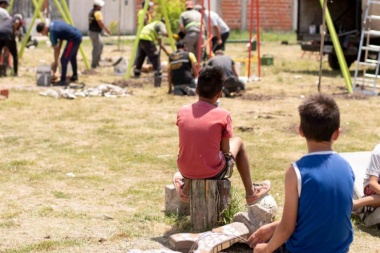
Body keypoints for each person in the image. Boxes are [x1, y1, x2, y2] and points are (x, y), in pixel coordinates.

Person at [248, 93, 354, 253]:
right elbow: (323, 214)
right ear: (337, 133)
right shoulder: (347, 167)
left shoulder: (296, 172)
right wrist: (273, 227)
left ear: (300, 131)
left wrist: (266, 249)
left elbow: (286, 228)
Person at [174, 65, 271, 205]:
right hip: (213, 172)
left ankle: (186, 189)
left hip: (185, 170)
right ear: (219, 94)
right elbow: (225, 151)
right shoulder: (223, 115)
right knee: (238, 142)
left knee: (195, 149)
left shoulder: (182, 111)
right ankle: (251, 192)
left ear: (196, 90)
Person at [36, 21, 82, 86]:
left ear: (45, 28)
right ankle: (75, 76)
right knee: (72, 58)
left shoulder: (52, 32)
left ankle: (63, 80)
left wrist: (56, 63)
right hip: (78, 35)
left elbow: (55, 49)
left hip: (73, 39)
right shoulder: (53, 25)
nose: (42, 34)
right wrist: (57, 55)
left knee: (64, 59)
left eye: (42, 33)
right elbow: (61, 40)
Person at [133, 19, 169, 87]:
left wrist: (167, 52)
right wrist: (171, 35)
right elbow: (164, 33)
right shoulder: (160, 24)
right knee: (155, 57)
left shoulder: (153, 25)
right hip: (147, 38)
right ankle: (158, 76)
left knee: (141, 56)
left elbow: (160, 43)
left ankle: (136, 73)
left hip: (140, 38)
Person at [352, 144, 380, 215]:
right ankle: (356, 204)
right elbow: (373, 184)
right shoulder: (378, 153)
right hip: (373, 186)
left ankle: (365, 205)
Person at [88, 0, 110, 69]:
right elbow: (100, 23)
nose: (101, 7)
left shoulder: (91, 12)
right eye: (101, 6)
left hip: (92, 32)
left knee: (100, 46)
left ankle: (97, 62)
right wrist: (106, 30)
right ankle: (94, 65)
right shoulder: (97, 13)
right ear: (98, 6)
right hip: (95, 33)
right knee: (97, 48)